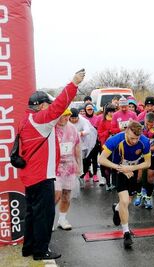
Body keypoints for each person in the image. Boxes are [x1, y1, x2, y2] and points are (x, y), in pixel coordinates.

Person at [19, 69, 85, 260]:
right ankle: (41, 251)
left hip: (31, 176)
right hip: (42, 176)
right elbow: (59, 106)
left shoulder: (26, 120)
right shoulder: (40, 120)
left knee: (32, 213)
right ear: (40, 106)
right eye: (47, 104)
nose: (50, 108)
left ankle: (29, 248)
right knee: (44, 216)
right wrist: (74, 83)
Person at [99, 121, 151, 249]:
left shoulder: (144, 141)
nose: (134, 141)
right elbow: (101, 159)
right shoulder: (116, 139)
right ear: (126, 131)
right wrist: (121, 168)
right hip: (118, 169)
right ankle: (126, 233)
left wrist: (130, 168)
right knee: (124, 200)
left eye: (137, 138)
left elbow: (148, 163)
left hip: (132, 170)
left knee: (127, 201)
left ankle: (116, 209)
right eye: (132, 138)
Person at [54, 109, 81, 230]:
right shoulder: (51, 127)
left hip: (69, 165)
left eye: (67, 116)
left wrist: (79, 165)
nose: (65, 118)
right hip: (55, 167)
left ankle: (62, 219)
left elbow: (77, 147)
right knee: (56, 194)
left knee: (66, 194)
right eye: (63, 116)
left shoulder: (72, 129)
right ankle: (49, 219)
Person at [133, 112, 154, 209]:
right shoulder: (139, 126)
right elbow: (133, 141)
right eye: (147, 124)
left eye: (151, 125)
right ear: (144, 120)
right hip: (140, 156)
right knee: (138, 177)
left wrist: (145, 148)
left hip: (153, 155)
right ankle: (138, 194)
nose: (149, 126)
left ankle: (148, 197)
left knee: (151, 177)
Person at [70, 108, 98, 184]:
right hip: (72, 143)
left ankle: (82, 175)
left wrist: (80, 133)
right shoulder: (67, 121)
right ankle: (75, 177)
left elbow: (87, 130)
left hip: (85, 142)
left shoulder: (83, 121)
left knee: (84, 161)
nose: (74, 120)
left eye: (75, 118)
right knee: (73, 160)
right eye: (72, 118)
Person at [97, 104, 117, 191]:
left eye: (113, 111)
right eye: (110, 111)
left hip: (116, 146)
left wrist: (114, 131)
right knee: (106, 166)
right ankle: (108, 183)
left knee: (116, 165)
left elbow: (120, 130)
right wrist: (108, 132)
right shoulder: (102, 122)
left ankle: (115, 183)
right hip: (106, 146)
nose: (112, 113)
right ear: (106, 112)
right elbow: (100, 134)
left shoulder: (116, 120)